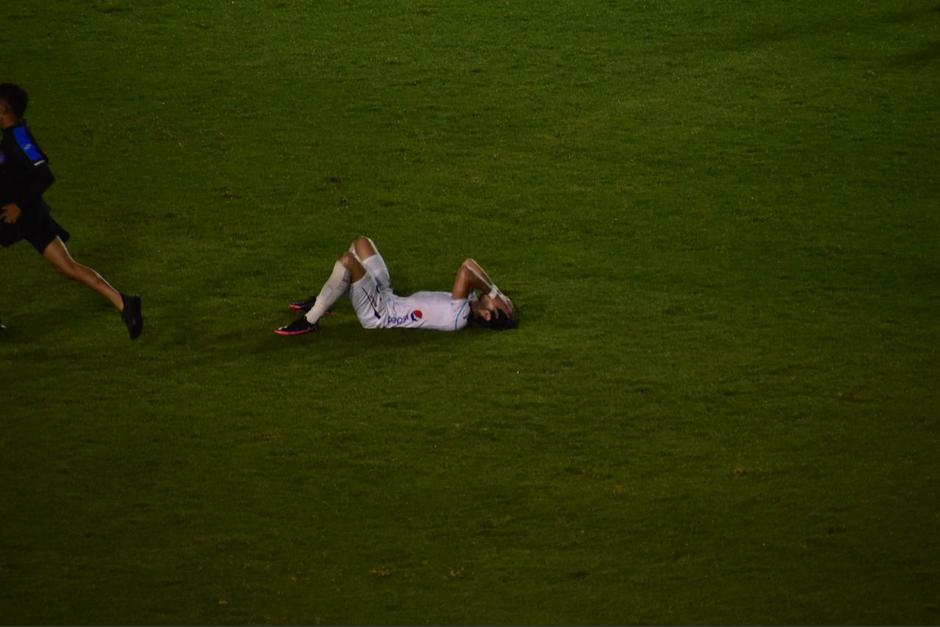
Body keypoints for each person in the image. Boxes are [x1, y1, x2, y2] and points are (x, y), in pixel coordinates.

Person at [0, 83, 143, 339]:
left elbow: (44, 175)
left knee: (67, 267)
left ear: (3, 108)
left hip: (22, 214)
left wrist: (19, 205)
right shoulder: (12, 135)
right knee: (67, 267)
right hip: (27, 214)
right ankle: (124, 302)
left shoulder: (18, 137)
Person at [275, 236, 515, 335]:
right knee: (361, 243)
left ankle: (310, 320)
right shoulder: (469, 301)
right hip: (388, 296)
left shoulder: (459, 316)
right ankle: (324, 299)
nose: (503, 301)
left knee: (349, 262)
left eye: (502, 306)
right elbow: (471, 270)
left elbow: (466, 268)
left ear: (487, 313)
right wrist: (495, 293)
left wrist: (494, 291)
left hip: (379, 312)